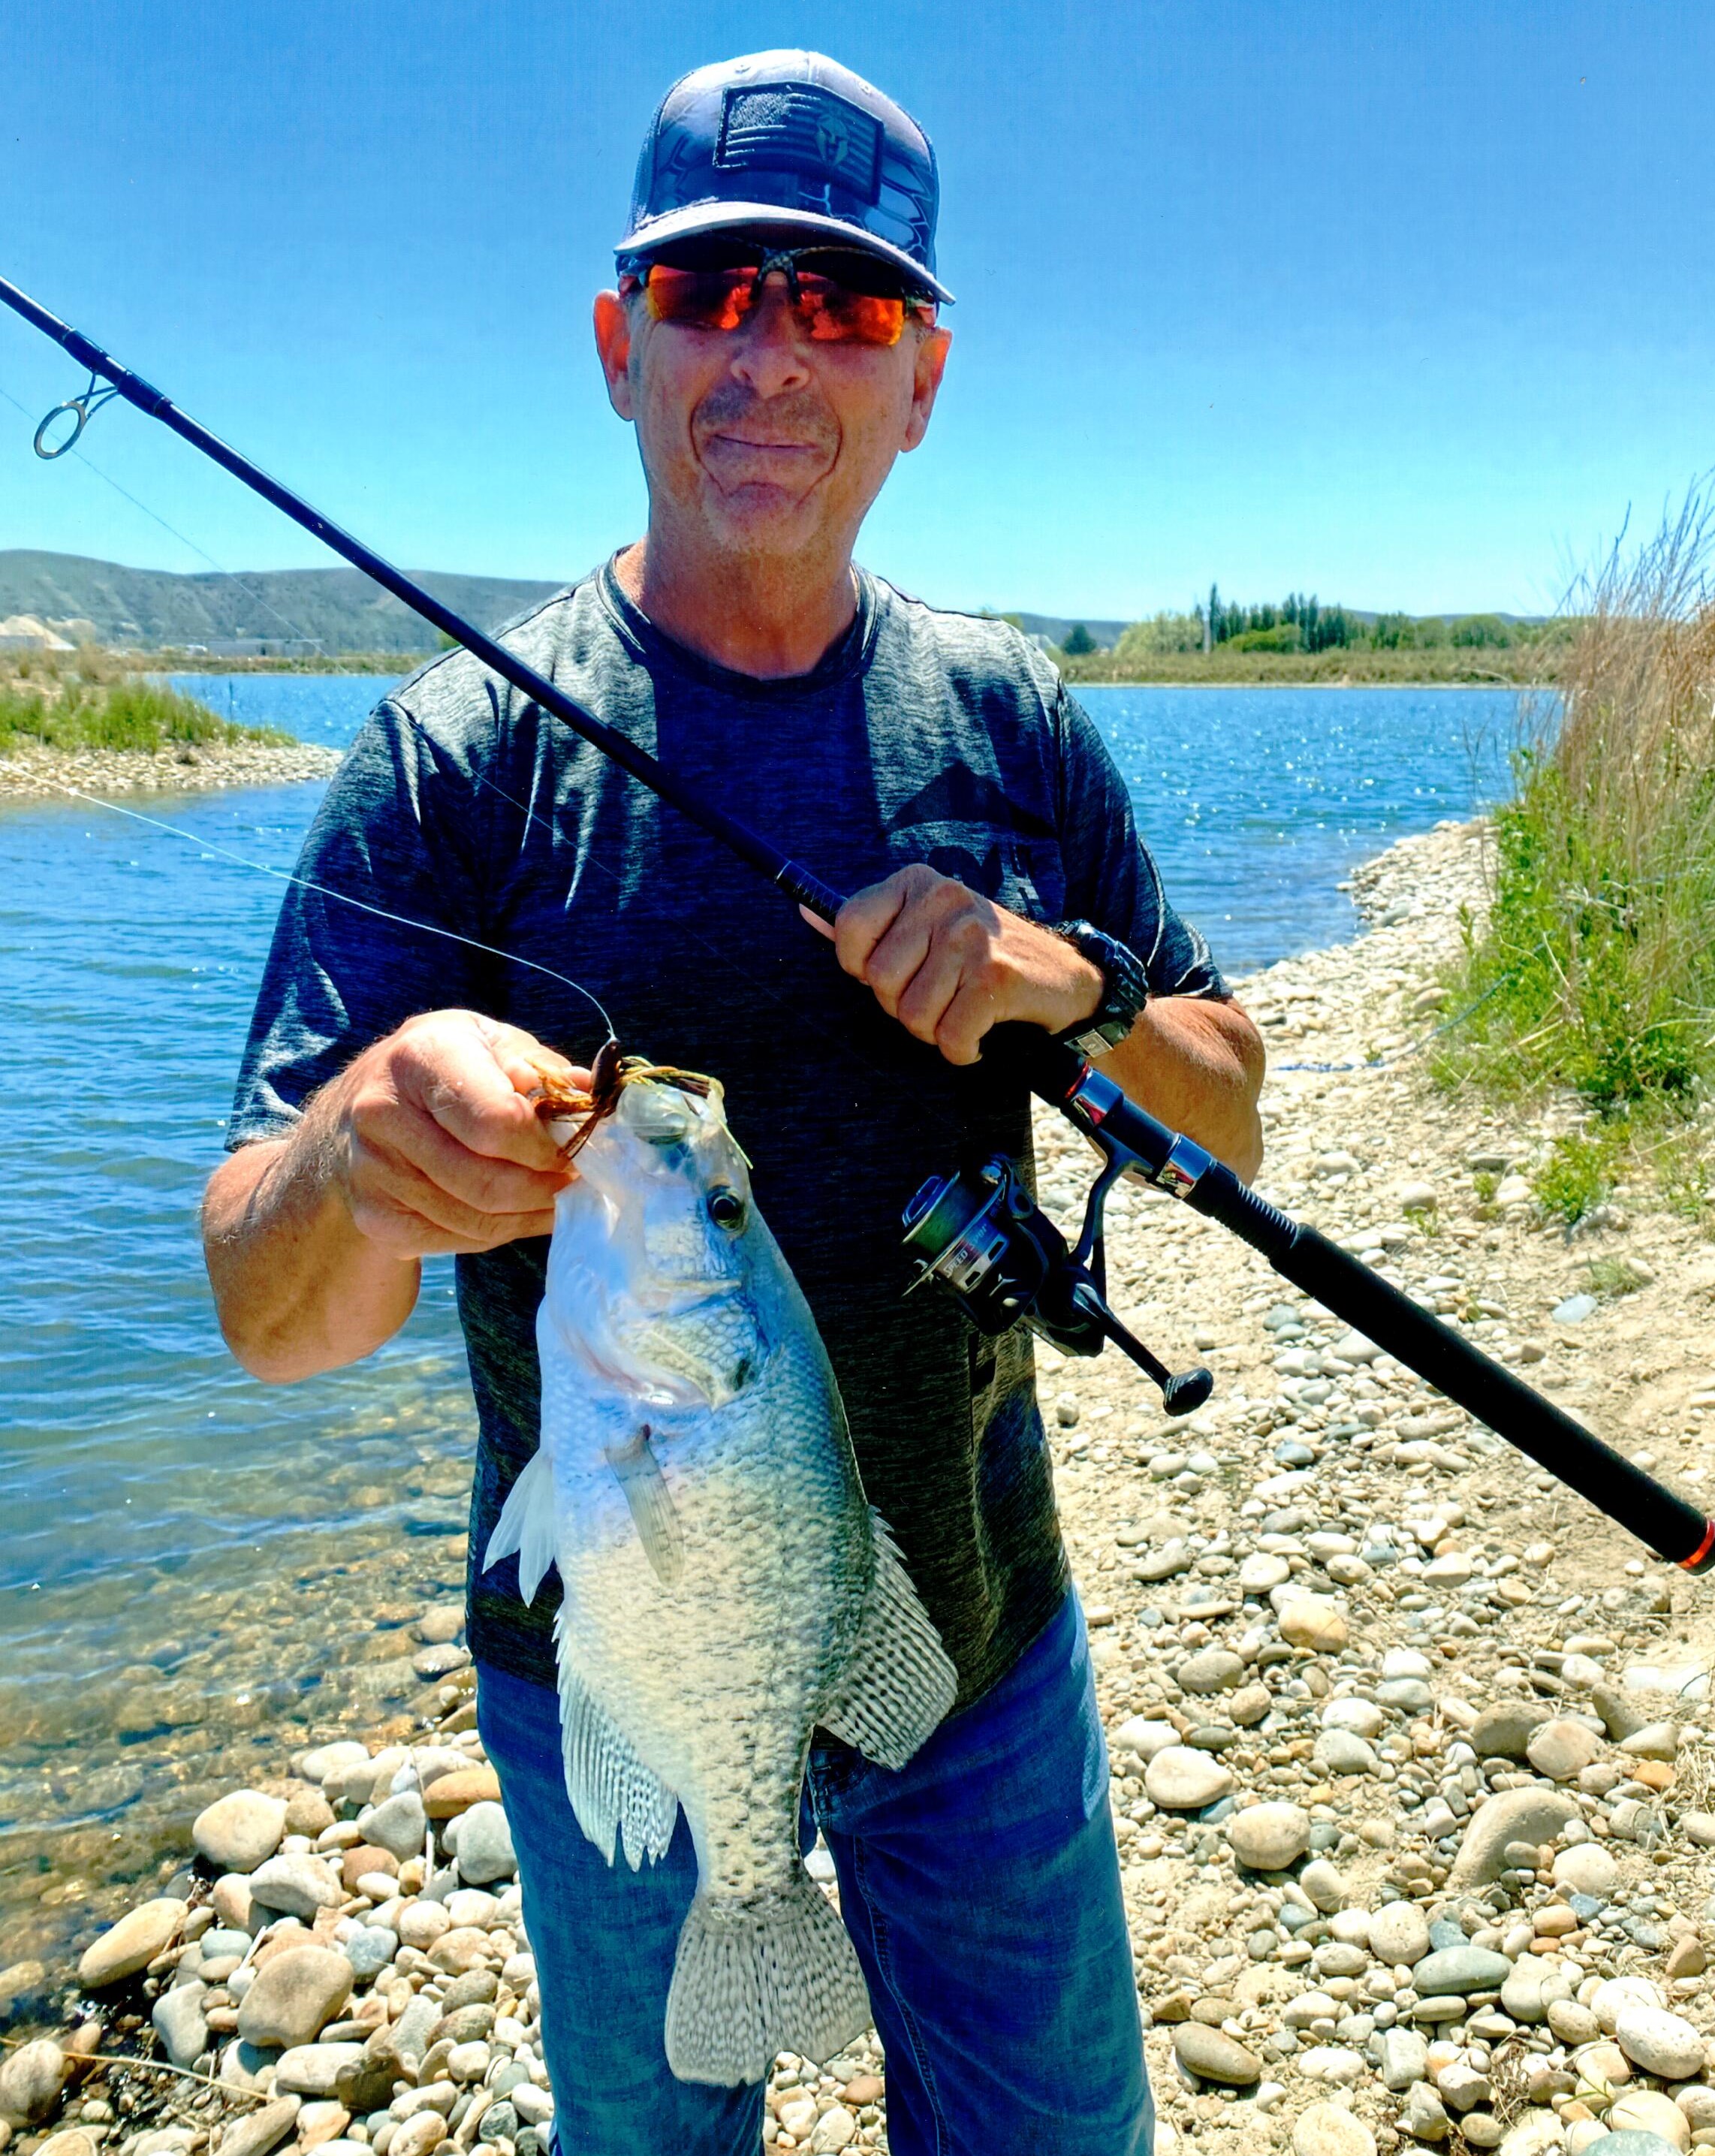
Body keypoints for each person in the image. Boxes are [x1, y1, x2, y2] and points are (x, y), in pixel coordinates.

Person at [202, 48, 1264, 2156]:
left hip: (971, 1650)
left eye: (841, 306)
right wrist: (360, 1151)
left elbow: (1230, 1114)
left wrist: (1078, 990)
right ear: (621, 348)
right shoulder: (452, 761)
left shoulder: (1006, 717)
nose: (771, 356)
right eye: (714, 295)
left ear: (919, 381)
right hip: (610, 1652)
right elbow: (270, 1312)